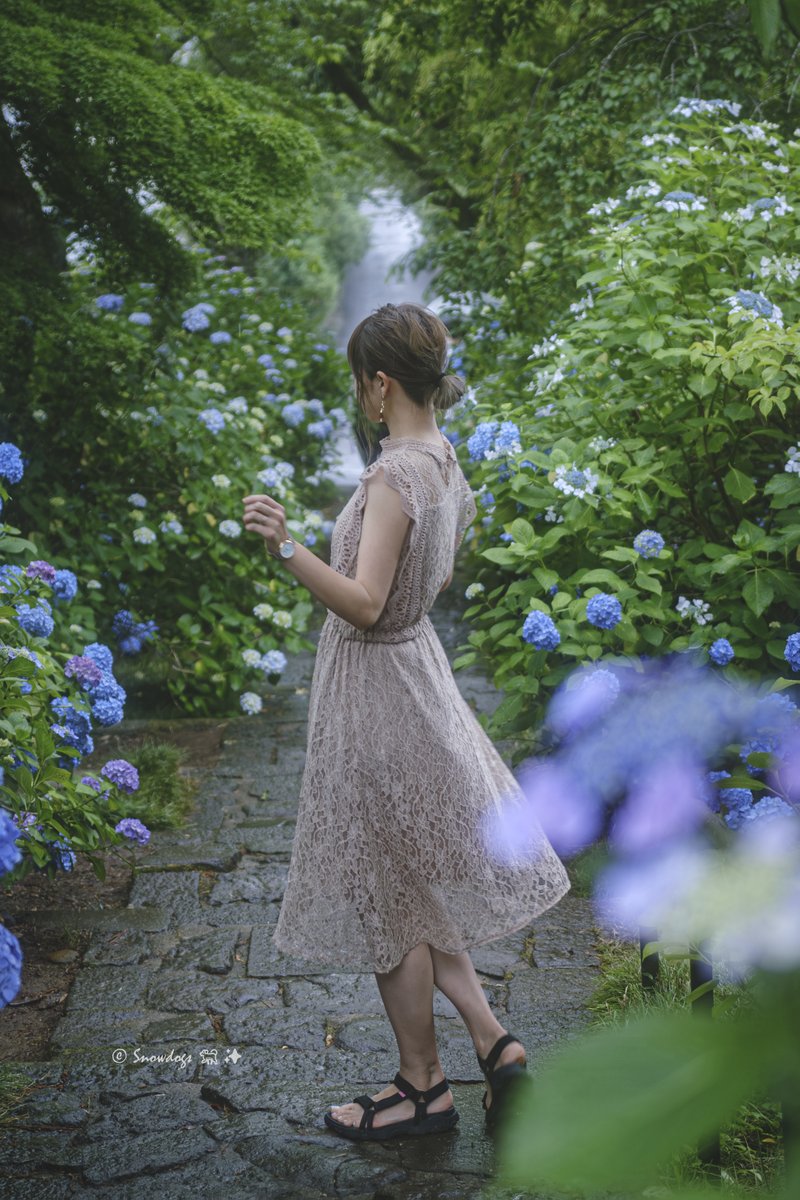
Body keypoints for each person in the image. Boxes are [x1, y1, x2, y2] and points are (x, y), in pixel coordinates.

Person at [242, 301, 570, 1142]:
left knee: (385, 893)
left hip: (381, 687)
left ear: (380, 383)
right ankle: (496, 1046)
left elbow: (364, 601)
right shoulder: (442, 460)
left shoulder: (395, 478)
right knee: (416, 882)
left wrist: (286, 546)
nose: (360, 393)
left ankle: (422, 1089)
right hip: (414, 674)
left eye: (361, 380)